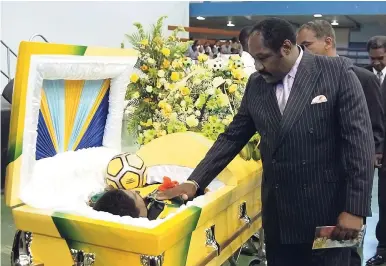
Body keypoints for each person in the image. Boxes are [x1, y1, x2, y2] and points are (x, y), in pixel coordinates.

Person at [157, 17, 374, 266]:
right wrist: (194, 182)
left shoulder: (337, 73)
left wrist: (355, 209)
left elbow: (359, 145)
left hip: (328, 214)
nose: (258, 66)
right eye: (254, 59)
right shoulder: (257, 85)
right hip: (279, 215)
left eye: (263, 58)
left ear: (286, 47)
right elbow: (232, 137)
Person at [296, 20, 385, 266]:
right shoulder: (304, 80)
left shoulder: (362, 78)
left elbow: (375, 128)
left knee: (347, 248)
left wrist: (367, 163)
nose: (301, 52)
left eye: (306, 45)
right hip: (314, 182)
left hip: (350, 180)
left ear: (328, 42)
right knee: (321, 249)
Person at [365, 36, 386, 266]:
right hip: (371, 149)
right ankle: (383, 248)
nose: (376, 62)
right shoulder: (363, 76)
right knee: (382, 201)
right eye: (373, 58)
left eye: (381, 58)